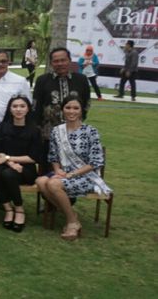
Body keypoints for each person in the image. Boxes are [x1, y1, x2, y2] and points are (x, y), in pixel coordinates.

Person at [36, 95, 109, 241]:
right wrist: (57, 170)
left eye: (76, 108)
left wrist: (72, 174)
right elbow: (53, 156)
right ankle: (73, 216)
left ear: (82, 111)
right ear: (62, 109)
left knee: (53, 184)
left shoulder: (91, 131)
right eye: (68, 107)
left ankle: (71, 223)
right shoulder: (57, 131)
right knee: (40, 181)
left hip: (87, 176)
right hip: (64, 174)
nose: (71, 111)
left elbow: (96, 161)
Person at [0, 95, 43, 233]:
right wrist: (11, 162)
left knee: (7, 174)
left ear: (28, 109)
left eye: (22, 106)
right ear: (10, 109)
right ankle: (7, 208)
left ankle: (19, 209)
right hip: (7, 165)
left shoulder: (34, 130)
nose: (18, 109)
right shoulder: (3, 126)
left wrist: (9, 158)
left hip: (27, 169)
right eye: (15, 106)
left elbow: (33, 157)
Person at [33, 47, 90, 142]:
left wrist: (77, 120)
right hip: (48, 135)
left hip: (75, 132)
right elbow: (36, 107)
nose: (60, 64)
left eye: (63, 60)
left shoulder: (81, 79)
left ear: (70, 61)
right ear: (51, 63)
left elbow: (86, 103)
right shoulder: (42, 80)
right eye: (56, 61)